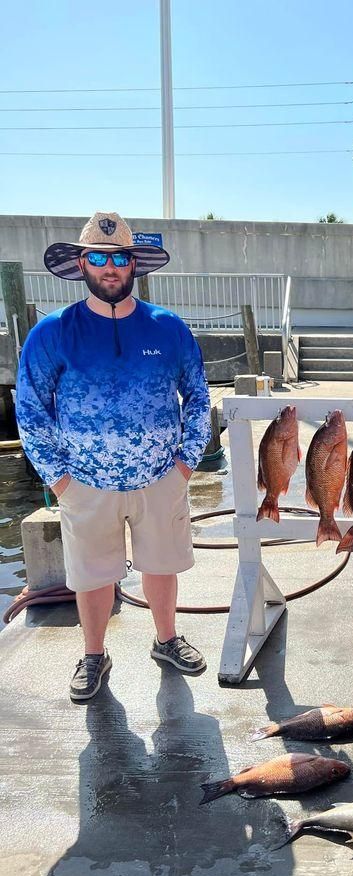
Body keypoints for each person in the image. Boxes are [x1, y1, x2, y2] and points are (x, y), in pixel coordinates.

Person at [16, 212, 211, 702]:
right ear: (82, 263)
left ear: (133, 265)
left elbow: (199, 397)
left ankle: (166, 640)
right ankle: (94, 655)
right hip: (85, 483)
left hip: (160, 477)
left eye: (118, 257)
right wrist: (60, 480)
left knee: (161, 564)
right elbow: (31, 408)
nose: (109, 267)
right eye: (97, 257)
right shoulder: (52, 332)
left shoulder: (168, 328)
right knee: (91, 573)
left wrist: (184, 467)